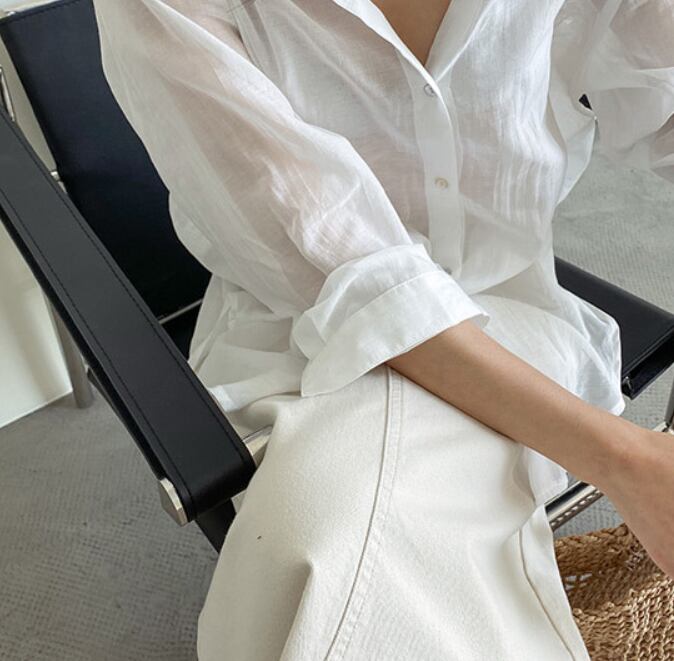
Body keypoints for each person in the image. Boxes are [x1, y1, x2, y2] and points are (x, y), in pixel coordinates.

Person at [92, 0, 674, 658]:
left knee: (325, 547)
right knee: (334, 537)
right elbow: (350, 272)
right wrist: (625, 459)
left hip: (513, 304)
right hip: (300, 328)